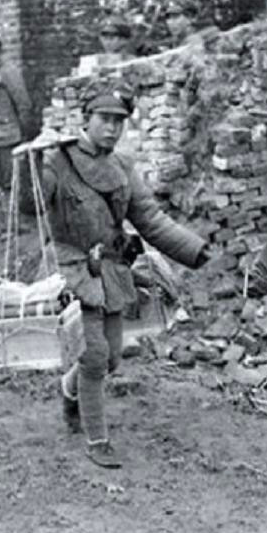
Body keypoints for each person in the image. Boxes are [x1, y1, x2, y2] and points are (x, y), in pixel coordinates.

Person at [42, 79, 211, 468]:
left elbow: (150, 219)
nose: (112, 128)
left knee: (112, 358)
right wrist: (30, 165)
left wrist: (195, 250)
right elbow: (28, 206)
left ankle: (68, 390)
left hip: (113, 269)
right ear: (86, 119)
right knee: (95, 354)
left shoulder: (122, 167)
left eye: (119, 121)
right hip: (74, 267)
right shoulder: (57, 162)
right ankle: (97, 439)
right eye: (104, 118)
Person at [0, 38, 34, 198]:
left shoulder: (8, 72)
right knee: (3, 182)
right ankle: (8, 214)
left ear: (0, 53)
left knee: (13, 183)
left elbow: (24, 103)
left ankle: (17, 214)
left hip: (9, 136)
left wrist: (23, 134)